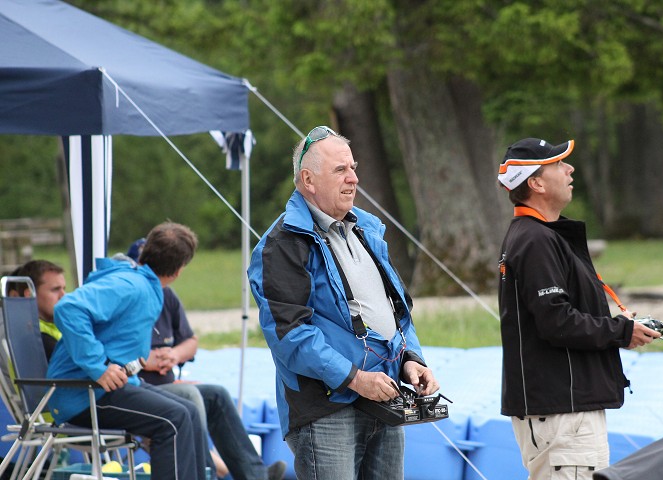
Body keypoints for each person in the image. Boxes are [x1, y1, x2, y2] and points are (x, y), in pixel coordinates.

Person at [248, 125, 440, 480]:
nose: (353, 179)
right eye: (341, 170)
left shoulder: (366, 229)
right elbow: (290, 336)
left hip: (383, 400)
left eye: (353, 168)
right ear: (308, 180)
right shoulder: (283, 245)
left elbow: (396, 311)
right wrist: (354, 379)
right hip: (325, 411)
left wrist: (411, 360)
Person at [496, 138, 661, 480]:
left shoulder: (539, 235)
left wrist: (620, 330)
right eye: (558, 163)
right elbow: (557, 321)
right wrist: (621, 331)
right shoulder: (535, 239)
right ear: (536, 183)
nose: (570, 169)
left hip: (563, 413)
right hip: (562, 415)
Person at [46, 222, 212, 480]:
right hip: (82, 394)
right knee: (174, 419)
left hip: (106, 388)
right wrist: (98, 367)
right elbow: (68, 309)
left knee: (188, 410)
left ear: (146, 251)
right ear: (179, 271)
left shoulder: (141, 283)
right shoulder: (130, 285)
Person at [125, 238, 286, 480]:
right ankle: (205, 472)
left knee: (216, 394)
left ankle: (256, 475)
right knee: (191, 396)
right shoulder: (128, 299)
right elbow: (113, 354)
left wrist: (174, 354)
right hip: (139, 389)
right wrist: (142, 360)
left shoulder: (167, 297)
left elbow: (191, 342)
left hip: (167, 386)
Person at [12, 260, 66, 358]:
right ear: (30, 295)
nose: (63, 296)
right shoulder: (35, 337)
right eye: (55, 289)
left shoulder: (51, 326)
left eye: (64, 289)